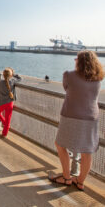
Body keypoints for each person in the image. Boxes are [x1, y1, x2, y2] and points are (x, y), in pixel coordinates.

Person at [48, 50, 104, 191]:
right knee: (87, 151)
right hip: (91, 118)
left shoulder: (69, 75)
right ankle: (80, 181)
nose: (75, 61)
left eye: (76, 59)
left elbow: (67, 88)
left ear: (80, 61)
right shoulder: (98, 78)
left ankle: (66, 177)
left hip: (71, 116)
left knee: (60, 145)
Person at [0, 67, 21, 137]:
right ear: (10, 75)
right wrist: (14, 74)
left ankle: (4, 122)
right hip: (10, 103)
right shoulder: (12, 81)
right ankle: (4, 133)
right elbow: (20, 79)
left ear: (3, 75)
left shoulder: (0, 82)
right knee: (8, 118)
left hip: (2, 103)